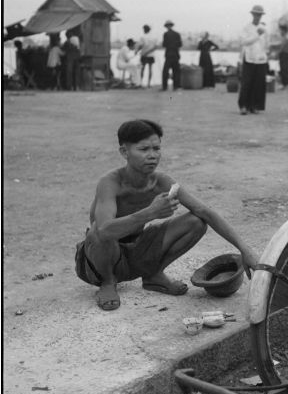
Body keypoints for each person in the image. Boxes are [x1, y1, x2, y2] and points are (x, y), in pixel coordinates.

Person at [75, 119, 259, 311]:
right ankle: (107, 283)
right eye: (144, 149)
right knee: (98, 230)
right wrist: (150, 213)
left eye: (157, 148)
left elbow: (206, 211)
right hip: (100, 259)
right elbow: (105, 232)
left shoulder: (161, 182)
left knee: (197, 221)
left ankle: (154, 275)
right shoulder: (110, 182)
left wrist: (244, 249)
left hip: (136, 251)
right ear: (124, 152)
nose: (152, 155)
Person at [238, 5, 268, 115]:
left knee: (258, 83)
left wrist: (264, 54)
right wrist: (257, 35)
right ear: (252, 15)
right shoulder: (247, 28)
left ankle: (255, 106)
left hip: (260, 58)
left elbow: (266, 44)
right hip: (249, 58)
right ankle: (243, 106)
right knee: (247, 83)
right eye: (256, 14)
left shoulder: (264, 28)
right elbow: (244, 42)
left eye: (259, 15)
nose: (257, 17)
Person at [161, 20, 182, 91]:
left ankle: (164, 87)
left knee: (165, 71)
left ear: (167, 26)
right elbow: (180, 44)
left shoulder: (166, 34)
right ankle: (176, 86)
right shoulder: (177, 34)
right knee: (176, 71)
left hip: (169, 54)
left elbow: (164, 44)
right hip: (176, 54)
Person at [277, 23, 288, 89]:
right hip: (283, 55)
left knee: (284, 69)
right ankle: (284, 83)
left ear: (284, 31)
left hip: (284, 54)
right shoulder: (283, 38)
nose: (280, 32)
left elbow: (282, 48)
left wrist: (277, 53)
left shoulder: (285, 38)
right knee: (283, 69)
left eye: (281, 30)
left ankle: (287, 83)